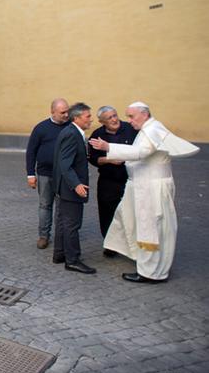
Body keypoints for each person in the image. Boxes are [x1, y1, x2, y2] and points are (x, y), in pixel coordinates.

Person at [89, 102, 199, 283]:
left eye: (132, 116)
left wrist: (109, 147)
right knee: (125, 217)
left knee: (151, 230)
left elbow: (141, 152)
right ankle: (140, 259)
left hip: (150, 189)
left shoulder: (151, 130)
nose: (128, 121)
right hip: (141, 186)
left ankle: (150, 273)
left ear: (144, 114)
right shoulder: (148, 128)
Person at [88, 106, 138, 257]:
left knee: (132, 211)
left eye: (115, 115)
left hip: (131, 178)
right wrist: (108, 160)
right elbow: (93, 158)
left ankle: (133, 245)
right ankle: (110, 245)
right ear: (101, 121)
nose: (114, 119)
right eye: (109, 118)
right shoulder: (97, 135)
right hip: (108, 180)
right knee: (107, 213)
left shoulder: (131, 129)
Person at [52, 102, 96, 274]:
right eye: (88, 116)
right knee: (72, 224)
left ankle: (60, 254)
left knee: (64, 222)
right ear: (77, 118)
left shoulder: (71, 132)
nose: (91, 120)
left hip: (65, 187)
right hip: (70, 188)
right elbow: (65, 164)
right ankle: (72, 260)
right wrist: (76, 184)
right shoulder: (72, 134)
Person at [25, 98, 70, 249]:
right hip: (45, 174)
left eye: (67, 111)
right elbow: (31, 152)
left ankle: (61, 236)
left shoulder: (71, 127)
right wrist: (30, 174)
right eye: (62, 112)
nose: (66, 115)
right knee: (45, 205)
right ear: (53, 112)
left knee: (62, 207)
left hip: (65, 175)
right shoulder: (41, 128)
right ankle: (44, 236)